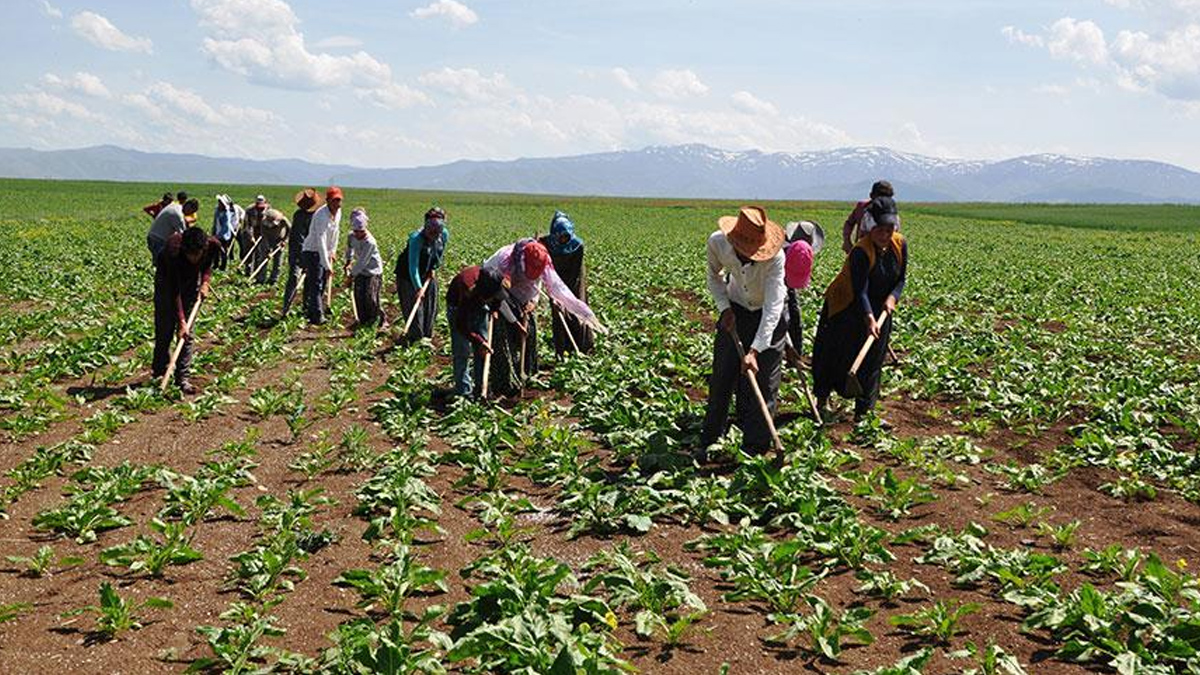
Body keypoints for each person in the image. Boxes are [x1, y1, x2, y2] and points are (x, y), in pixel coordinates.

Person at [699, 206, 788, 458]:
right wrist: (724, 308)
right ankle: (710, 438)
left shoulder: (776, 258)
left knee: (764, 382)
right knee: (722, 376)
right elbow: (713, 277)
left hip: (767, 317)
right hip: (736, 309)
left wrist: (755, 350)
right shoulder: (717, 243)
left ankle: (755, 449)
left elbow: (773, 307)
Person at [813, 196, 908, 426]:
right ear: (870, 227)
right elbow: (860, 290)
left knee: (874, 358)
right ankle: (822, 400)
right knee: (835, 353)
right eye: (879, 230)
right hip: (846, 305)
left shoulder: (900, 245)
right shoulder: (861, 251)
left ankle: (864, 413)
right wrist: (868, 317)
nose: (884, 236)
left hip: (881, 307)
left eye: (888, 230)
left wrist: (892, 298)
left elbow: (901, 279)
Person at [482, 238, 603, 397]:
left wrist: (533, 301)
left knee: (529, 334)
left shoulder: (543, 260)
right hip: (498, 295)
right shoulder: (503, 261)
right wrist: (515, 322)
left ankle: (526, 372)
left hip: (524, 295)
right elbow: (499, 299)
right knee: (504, 336)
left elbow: (539, 282)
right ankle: (505, 381)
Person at [152, 227, 221, 394]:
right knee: (165, 330)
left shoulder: (212, 245)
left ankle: (182, 378)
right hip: (166, 284)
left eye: (197, 254)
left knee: (187, 335)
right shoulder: (172, 251)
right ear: (184, 249)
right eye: (190, 254)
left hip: (190, 285)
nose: (194, 258)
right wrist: (181, 320)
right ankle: (160, 373)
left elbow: (208, 265)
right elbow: (174, 291)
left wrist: (205, 282)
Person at [538, 210, 595, 355]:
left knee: (577, 308)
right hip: (554, 279)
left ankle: (582, 347)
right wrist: (555, 292)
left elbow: (575, 272)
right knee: (558, 314)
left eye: (566, 236)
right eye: (560, 236)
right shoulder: (546, 243)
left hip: (574, 279)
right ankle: (562, 350)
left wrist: (566, 294)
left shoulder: (577, 246)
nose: (563, 239)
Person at [446, 265, 508, 397]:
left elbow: (498, 298)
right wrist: (478, 340)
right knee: (462, 350)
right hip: (457, 308)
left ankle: (481, 388)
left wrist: (494, 309)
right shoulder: (467, 291)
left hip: (479, 305)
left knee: (483, 350)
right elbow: (461, 326)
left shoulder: (493, 281)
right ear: (484, 295)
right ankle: (464, 391)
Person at [396, 207, 449, 341]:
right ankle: (414, 338)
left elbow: (440, 252)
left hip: (427, 271)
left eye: (436, 233)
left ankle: (427, 336)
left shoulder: (443, 234)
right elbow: (412, 266)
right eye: (431, 233)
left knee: (431, 304)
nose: (434, 236)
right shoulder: (416, 239)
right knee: (414, 305)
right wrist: (418, 287)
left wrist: (433, 267)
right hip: (408, 275)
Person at [782, 221, 823, 366]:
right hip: (771, 279)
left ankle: (795, 356)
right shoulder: (778, 250)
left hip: (788, 279)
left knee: (795, 315)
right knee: (781, 318)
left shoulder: (800, 251)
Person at [300, 187, 343, 325]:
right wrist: (327, 265)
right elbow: (321, 241)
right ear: (328, 201)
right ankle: (317, 316)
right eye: (334, 201)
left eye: (339, 200)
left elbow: (336, 233)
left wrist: (333, 251)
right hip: (312, 251)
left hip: (324, 251)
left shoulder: (338, 212)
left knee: (318, 282)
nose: (337, 204)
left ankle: (308, 308)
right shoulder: (321, 216)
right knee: (316, 283)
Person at [282, 188, 323, 317]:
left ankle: (307, 307)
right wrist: (302, 259)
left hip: (311, 252)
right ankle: (286, 307)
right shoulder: (299, 216)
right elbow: (298, 239)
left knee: (310, 281)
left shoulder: (317, 215)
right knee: (294, 278)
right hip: (297, 253)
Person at [342, 208, 384, 329]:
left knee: (371, 297)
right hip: (360, 271)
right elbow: (349, 248)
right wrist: (348, 261)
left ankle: (379, 321)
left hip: (373, 271)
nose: (358, 234)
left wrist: (351, 277)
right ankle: (362, 320)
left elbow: (362, 262)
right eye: (355, 231)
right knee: (358, 295)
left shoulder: (370, 242)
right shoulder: (351, 236)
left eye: (360, 231)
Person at [842, 180, 896, 253]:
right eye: (880, 196)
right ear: (871, 195)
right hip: (862, 251)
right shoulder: (861, 208)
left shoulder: (891, 214)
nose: (883, 200)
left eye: (886, 197)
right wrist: (847, 241)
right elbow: (849, 223)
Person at [147, 198, 200, 266]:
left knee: (160, 262)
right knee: (162, 264)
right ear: (188, 207)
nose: (189, 214)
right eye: (191, 212)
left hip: (153, 237)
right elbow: (183, 235)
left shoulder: (175, 206)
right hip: (157, 240)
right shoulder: (178, 215)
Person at [254, 208, 289, 284]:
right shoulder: (263, 223)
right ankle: (261, 279)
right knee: (263, 259)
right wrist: (267, 249)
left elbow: (290, 230)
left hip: (279, 241)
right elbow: (264, 236)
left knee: (278, 261)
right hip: (267, 241)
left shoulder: (283, 220)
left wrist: (284, 240)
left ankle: (274, 279)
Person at [211, 194, 243, 271]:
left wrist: (219, 235)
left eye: (220, 202)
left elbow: (226, 226)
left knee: (223, 251)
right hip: (217, 234)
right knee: (216, 251)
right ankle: (215, 265)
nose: (219, 204)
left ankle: (223, 267)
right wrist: (214, 232)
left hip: (224, 236)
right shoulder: (217, 211)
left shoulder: (227, 213)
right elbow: (215, 223)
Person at [241, 195, 270, 275]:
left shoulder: (268, 210)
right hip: (251, 231)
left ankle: (257, 272)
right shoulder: (249, 210)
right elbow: (247, 225)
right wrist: (251, 237)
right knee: (249, 251)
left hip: (263, 232)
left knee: (259, 253)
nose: (260, 208)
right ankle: (248, 270)